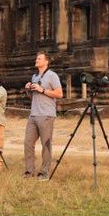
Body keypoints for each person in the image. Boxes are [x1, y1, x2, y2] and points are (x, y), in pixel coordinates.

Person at [23, 51, 62, 179]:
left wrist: (43, 90)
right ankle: (29, 171)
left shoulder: (52, 75)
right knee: (28, 143)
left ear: (46, 62)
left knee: (45, 144)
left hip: (46, 115)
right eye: (36, 58)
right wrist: (28, 88)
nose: (36, 60)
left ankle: (44, 172)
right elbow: (33, 97)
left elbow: (59, 94)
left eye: (39, 58)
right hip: (33, 114)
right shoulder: (34, 76)